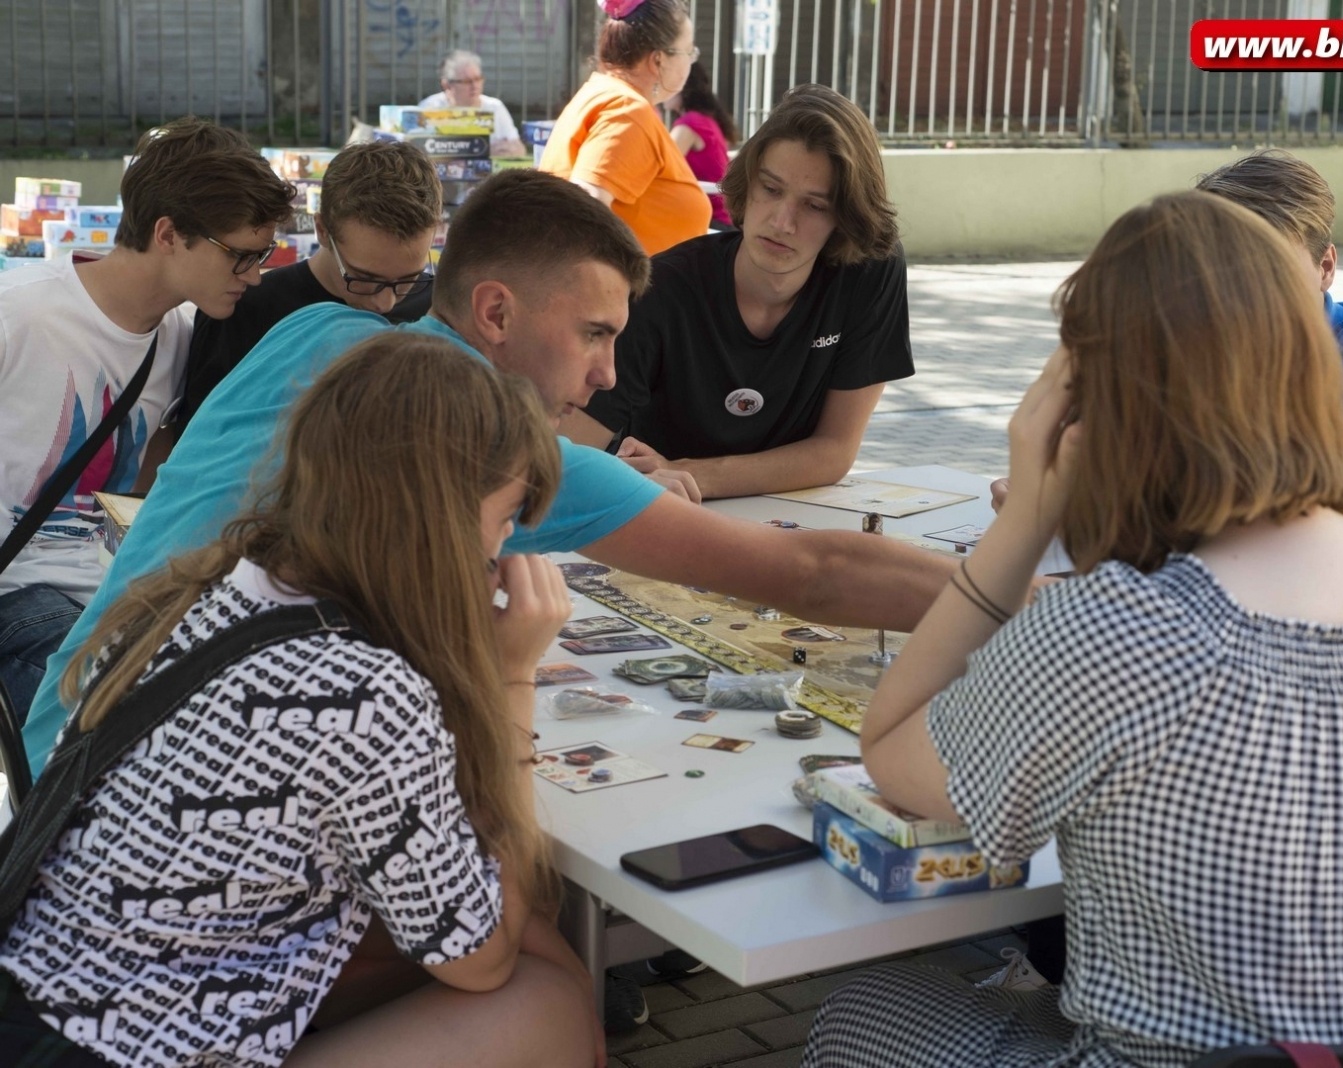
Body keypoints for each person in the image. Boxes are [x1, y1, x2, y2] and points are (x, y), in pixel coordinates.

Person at [803, 191, 1343, 1066]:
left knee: (861, 1007)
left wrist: (1029, 512)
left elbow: (892, 749)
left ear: (1098, 405)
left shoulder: (1117, 633)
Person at [24, 168, 952, 780]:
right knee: (524, 935)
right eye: (594, 334)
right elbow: (809, 573)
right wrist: (1018, 602)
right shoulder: (484, 434)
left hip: (60, 737)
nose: (609, 376)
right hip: (154, 796)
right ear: (497, 313)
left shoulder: (314, 327)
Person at [0, 335, 603, 1068]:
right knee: (547, 1003)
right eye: (505, 518)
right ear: (437, 520)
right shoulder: (365, 690)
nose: (505, 549)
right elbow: (482, 958)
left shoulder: (202, 590)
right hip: (123, 1046)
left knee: (474, 930)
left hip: (38, 1004)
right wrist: (513, 678)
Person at [0, 117, 293, 723]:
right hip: (19, 597)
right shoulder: (20, 314)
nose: (254, 275)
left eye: (262, 256)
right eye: (241, 256)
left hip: (114, 593)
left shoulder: (183, 338)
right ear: (168, 234)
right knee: (125, 710)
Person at [566, 84, 911, 499]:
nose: (782, 222)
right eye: (771, 189)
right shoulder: (658, 291)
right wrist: (632, 482)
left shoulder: (871, 270)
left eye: (815, 206)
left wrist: (687, 473)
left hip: (782, 512)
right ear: (746, 183)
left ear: (847, 217)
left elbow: (834, 452)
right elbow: (565, 461)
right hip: (661, 512)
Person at [1195, 149, 1343, 530]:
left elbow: (1332, 529)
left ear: (1325, 268)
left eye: (1273, 272)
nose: (1243, 294)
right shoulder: (1212, 350)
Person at [172, 139, 442, 441]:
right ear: (322, 230)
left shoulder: (441, 310)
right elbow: (199, 443)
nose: (385, 303)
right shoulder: (243, 310)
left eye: (408, 279)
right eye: (364, 278)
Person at [538, 0, 712, 255]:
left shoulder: (608, 94)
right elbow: (585, 204)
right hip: (629, 281)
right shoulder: (628, 110)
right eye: (689, 52)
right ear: (658, 60)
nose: (691, 62)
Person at [419, 49, 525, 157]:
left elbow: (519, 149)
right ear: (447, 85)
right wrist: (483, 151)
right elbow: (417, 150)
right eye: (467, 81)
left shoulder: (495, 107)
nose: (475, 86)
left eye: (478, 79)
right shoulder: (429, 107)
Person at [670, 62, 737, 228]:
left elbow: (659, 167)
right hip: (720, 217)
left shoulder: (689, 124)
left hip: (708, 219)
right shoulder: (705, 119)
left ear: (682, 86)